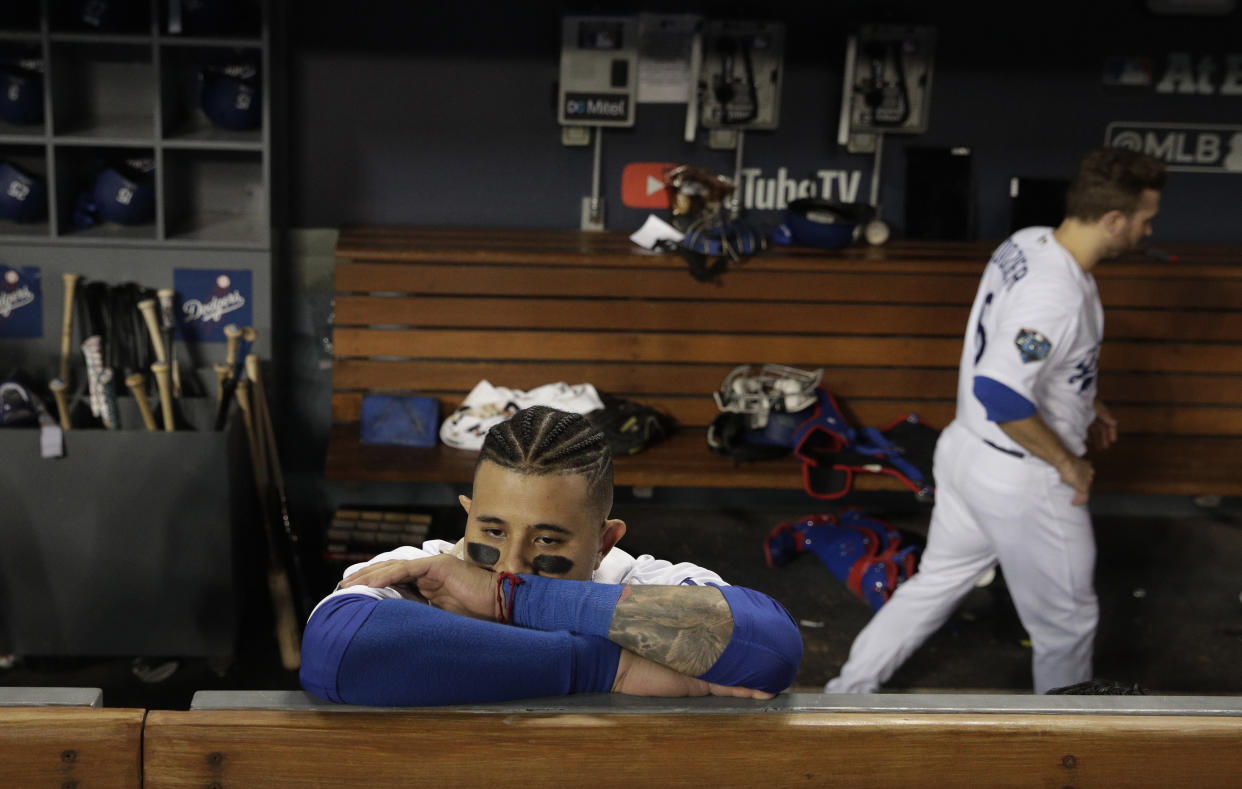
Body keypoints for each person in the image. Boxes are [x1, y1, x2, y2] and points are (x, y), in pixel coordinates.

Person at [826, 147, 1166, 695]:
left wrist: (1086, 403)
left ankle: (845, 693)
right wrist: (1069, 463)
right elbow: (1000, 392)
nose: (1149, 231)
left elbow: (1029, 361)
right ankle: (1064, 755)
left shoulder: (1030, 241)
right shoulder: (1055, 292)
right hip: (1023, 477)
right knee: (1066, 627)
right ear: (1114, 220)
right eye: (1146, 220)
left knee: (934, 583)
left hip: (966, 454)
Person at [301, 405, 803, 706]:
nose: (511, 564)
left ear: (605, 541)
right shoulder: (420, 569)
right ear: (467, 515)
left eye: (547, 541)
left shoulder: (640, 580)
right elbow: (336, 651)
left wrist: (504, 599)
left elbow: (772, 650)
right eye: (492, 530)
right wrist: (609, 669)